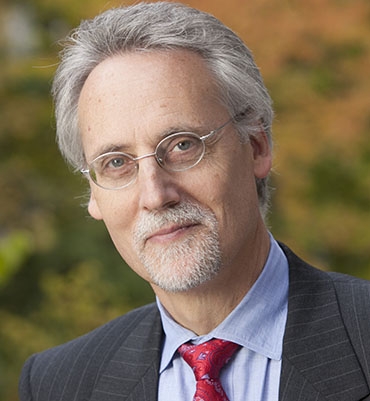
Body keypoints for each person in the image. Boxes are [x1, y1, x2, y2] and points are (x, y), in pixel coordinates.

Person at [19, 2, 370, 401]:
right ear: (94, 195)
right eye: (116, 163)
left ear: (256, 147)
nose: (155, 195)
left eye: (183, 146)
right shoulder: (59, 383)